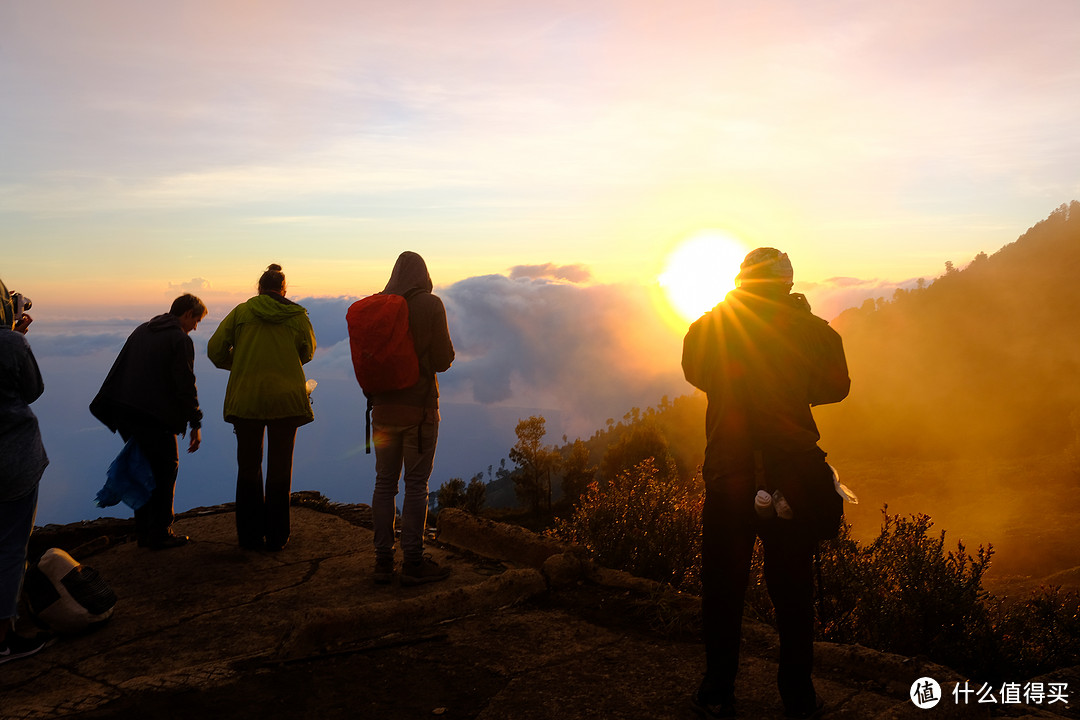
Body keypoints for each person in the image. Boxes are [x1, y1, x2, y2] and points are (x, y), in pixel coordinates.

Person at [682, 248, 850, 719]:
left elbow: (695, 370)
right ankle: (797, 696)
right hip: (792, 476)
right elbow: (836, 387)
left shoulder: (711, 328)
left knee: (722, 587)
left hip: (728, 474)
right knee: (793, 592)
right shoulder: (815, 332)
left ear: (741, 283)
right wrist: (796, 391)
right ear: (786, 283)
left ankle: (717, 691)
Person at [208, 264, 316, 552]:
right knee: (281, 469)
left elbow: (215, 350)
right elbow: (307, 352)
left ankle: (250, 536)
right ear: (283, 289)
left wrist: (243, 363)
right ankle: (278, 536)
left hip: (248, 400)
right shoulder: (297, 315)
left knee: (248, 468)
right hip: (286, 401)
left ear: (259, 288)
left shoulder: (241, 313)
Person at [90, 294, 207, 550]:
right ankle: (160, 533)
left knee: (144, 468)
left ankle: (144, 531)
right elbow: (185, 384)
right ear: (187, 314)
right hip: (153, 416)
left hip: (125, 413)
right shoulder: (180, 339)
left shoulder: (143, 329)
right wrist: (195, 423)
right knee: (166, 471)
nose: (195, 327)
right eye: (196, 320)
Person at [369, 252, 454, 586]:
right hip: (419, 410)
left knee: (384, 482)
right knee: (416, 484)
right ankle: (414, 561)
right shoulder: (430, 305)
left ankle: (382, 561)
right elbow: (443, 359)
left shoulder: (380, 306)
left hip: (382, 411)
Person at [0, 280, 50, 663]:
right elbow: (32, 390)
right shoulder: (11, 344)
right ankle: (4, 637)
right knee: (11, 547)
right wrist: (14, 336)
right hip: (12, 462)